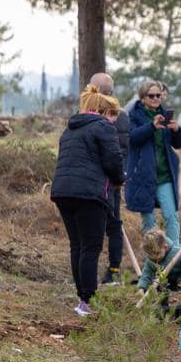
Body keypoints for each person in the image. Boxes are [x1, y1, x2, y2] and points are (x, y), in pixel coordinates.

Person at [49, 86, 124, 318]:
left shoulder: (69, 130)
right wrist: (120, 179)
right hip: (89, 194)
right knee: (91, 248)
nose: (114, 120)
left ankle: (82, 297)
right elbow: (113, 160)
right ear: (104, 112)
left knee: (77, 246)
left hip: (63, 191)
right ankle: (88, 301)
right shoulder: (103, 127)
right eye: (113, 115)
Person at [127, 80, 181, 248]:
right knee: (149, 220)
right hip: (143, 175)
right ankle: (153, 256)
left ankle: (175, 255)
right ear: (143, 98)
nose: (155, 98)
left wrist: (176, 130)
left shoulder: (165, 115)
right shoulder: (134, 115)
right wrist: (151, 126)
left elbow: (179, 144)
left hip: (164, 175)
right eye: (151, 95)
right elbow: (133, 138)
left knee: (171, 216)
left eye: (158, 95)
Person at [91, 73, 131, 285]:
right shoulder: (121, 115)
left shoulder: (100, 116)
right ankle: (111, 270)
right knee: (113, 225)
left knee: (107, 225)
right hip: (112, 179)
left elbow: (117, 150)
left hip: (100, 180)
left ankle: (108, 270)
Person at [137, 227, 181, 299]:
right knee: (158, 284)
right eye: (150, 254)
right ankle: (163, 305)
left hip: (180, 279)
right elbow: (146, 274)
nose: (154, 257)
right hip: (165, 282)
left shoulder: (177, 252)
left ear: (165, 247)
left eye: (157, 253)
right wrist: (141, 288)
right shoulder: (151, 260)